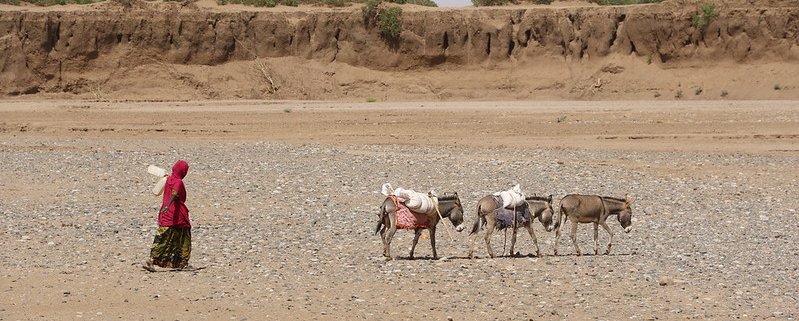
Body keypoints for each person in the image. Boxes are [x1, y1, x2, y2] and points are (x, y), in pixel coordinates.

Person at [144, 160, 192, 271]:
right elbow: (175, 194)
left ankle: (152, 260)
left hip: (165, 214)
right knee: (184, 238)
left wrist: (166, 207)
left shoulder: (168, 179)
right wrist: (169, 205)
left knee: (162, 238)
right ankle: (183, 262)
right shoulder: (178, 182)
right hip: (177, 215)